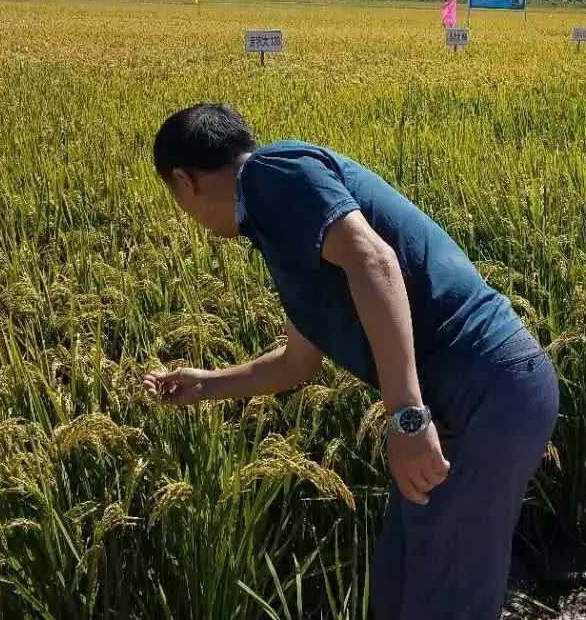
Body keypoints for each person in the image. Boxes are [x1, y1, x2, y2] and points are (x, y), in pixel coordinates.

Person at [143, 104, 559, 619]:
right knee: (400, 585)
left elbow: (374, 258)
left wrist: (407, 415)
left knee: (444, 599)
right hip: (467, 396)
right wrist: (206, 385)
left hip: (483, 388)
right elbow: (298, 364)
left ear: (184, 181)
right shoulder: (283, 229)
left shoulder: (273, 174)